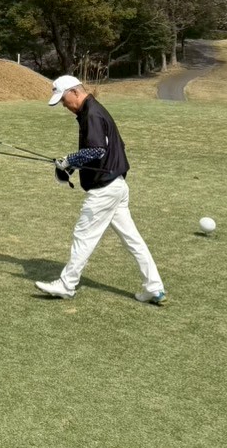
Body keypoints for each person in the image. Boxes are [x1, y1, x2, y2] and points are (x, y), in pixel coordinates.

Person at [35, 74, 167, 304]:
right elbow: (100, 151)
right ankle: (154, 288)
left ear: (75, 92)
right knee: (132, 240)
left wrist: (69, 160)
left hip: (104, 189)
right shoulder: (93, 110)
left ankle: (67, 285)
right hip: (117, 185)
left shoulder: (92, 114)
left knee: (84, 235)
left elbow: (96, 150)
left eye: (64, 99)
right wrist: (71, 165)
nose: (64, 105)